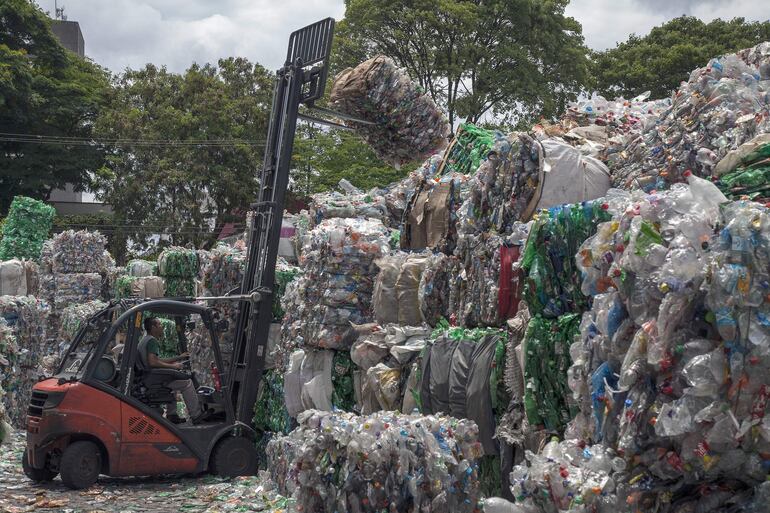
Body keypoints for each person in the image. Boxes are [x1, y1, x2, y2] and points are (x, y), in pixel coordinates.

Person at [138, 317, 204, 424]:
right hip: (154, 378)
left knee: (172, 382)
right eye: (159, 325)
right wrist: (174, 367)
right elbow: (153, 362)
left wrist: (178, 358)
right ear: (153, 327)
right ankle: (196, 415)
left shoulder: (144, 340)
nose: (162, 327)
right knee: (187, 383)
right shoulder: (152, 341)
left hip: (149, 377)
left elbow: (157, 360)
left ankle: (172, 415)